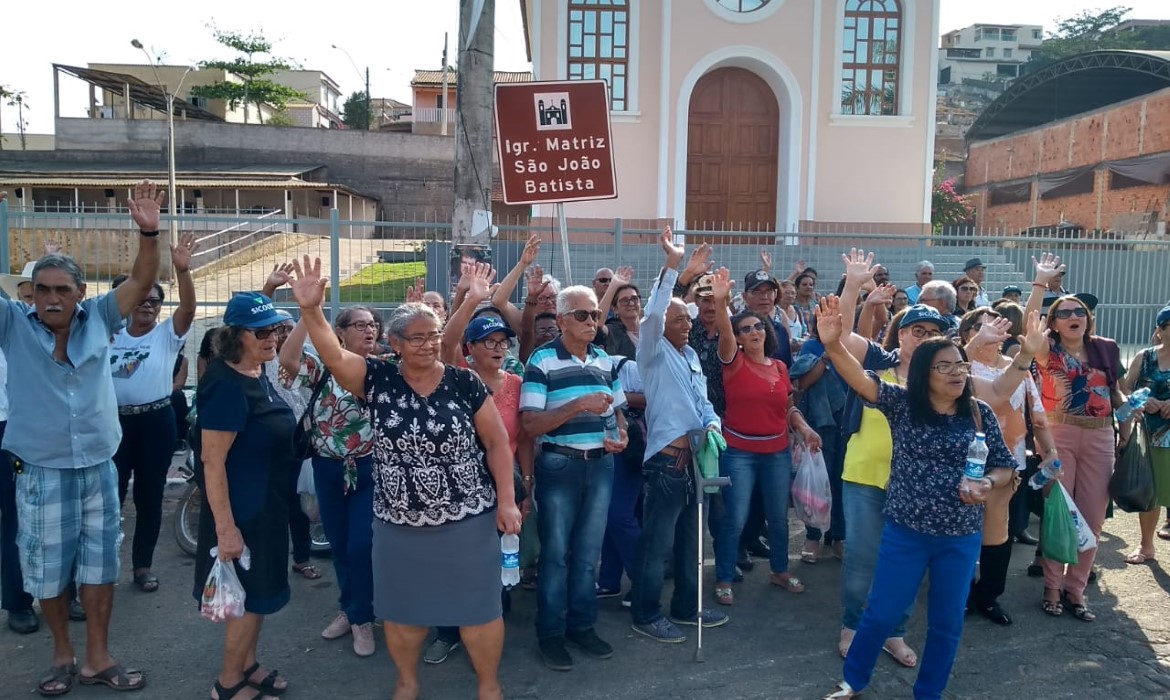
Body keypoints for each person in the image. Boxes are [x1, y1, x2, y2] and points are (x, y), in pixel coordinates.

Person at [289, 256, 521, 700]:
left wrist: (507, 501)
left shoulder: (463, 383)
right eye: (417, 338)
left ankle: (489, 688)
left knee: (479, 609)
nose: (429, 345)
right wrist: (311, 310)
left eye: (434, 336)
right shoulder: (376, 379)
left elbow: (495, 442)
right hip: (399, 523)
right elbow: (335, 356)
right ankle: (407, 683)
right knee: (402, 611)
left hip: (467, 519)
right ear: (394, 343)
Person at [2, 181, 163, 695]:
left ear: (79, 294)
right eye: (41, 290)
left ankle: (97, 656)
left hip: (98, 465)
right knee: (47, 570)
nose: (51, 298)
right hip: (42, 468)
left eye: (62, 290)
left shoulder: (100, 319)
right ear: (29, 294)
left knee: (99, 565)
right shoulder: (13, 324)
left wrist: (148, 232)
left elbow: (141, 280)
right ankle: (62, 655)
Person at [817, 296, 1019, 700]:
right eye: (945, 366)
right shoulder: (904, 404)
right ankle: (853, 681)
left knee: (947, 624)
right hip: (905, 532)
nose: (957, 373)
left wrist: (989, 485)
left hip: (959, 538)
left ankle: (929, 693)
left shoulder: (979, 412)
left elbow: (1004, 465)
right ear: (925, 373)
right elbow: (861, 380)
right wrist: (834, 344)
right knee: (880, 613)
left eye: (961, 365)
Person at [193, 292, 302, 700]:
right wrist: (227, 530)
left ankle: (248, 665)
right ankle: (227, 683)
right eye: (261, 331)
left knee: (258, 595)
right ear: (236, 336)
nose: (272, 336)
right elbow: (212, 461)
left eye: (275, 328)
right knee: (247, 599)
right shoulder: (225, 384)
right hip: (244, 514)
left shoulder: (257, 372)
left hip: (267, 508)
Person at [427, 264, 536, 665]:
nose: (497, 347)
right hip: (457, 488)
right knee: (453, 560)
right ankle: (446, 632)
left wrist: (525, 486)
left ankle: (487, 626)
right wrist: (470, 297)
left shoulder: (517, 384)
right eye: (486, 341)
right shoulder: (456, 378)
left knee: (499, 559)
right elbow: (446, 341)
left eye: (501, 341)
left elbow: (523, 439)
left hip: (504, 487)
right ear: (470, 350)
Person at [521, 285, 628, 672]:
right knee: (555, 556)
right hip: (560, 465)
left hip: (601, 465)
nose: (592, 322)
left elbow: (617, 411)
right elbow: (530, 424)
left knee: (587, 557)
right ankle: (550, 634)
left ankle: (582, 626)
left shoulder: (603, 360)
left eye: (595, 315)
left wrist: (622, 433)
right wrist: (578, 404)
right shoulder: (542, 360)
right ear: (563, 319)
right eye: (582, 315)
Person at [627, 229, 727, 643]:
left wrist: (714, 425)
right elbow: (651, 313)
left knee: (691, 540)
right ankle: (646, 614)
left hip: (696, 461)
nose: (687, 324)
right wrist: (675, 268)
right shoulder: (652, 351)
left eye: (688, 318)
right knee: (658, 544)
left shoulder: (688, 356)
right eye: (679, 319)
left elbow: (703, 404)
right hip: (667, 463)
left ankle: (686, 606)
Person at [709, 267, 821, 606]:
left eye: (758, 326)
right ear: (738, 338)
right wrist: (720, 299)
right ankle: (724, 576)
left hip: (777, 452)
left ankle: (779, 570)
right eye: (746, 329)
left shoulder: (780, 367)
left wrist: (803, 426)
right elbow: (725, 333)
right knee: (735, 518)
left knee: (778, 517)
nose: (754, 330)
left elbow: (786, 408)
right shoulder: (733, 362)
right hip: (739, 452)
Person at [279, 304, 379, 656]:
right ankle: (350, 609)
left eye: (372, 325)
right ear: (339, 331)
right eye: (360, 325)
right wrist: (309, 314)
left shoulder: (383, 368)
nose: (370, 330)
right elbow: (287, 359)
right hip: (328, 467)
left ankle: (363, 619)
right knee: (338, 543)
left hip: (370, 469)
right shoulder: (320, 368)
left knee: (360, 545)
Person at [110, 233, 198, 594]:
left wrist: (182, 271)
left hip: (155, 422)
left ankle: (142, 566)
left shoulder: (167, 335)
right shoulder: (106, 333)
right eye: (142, 298)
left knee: (149, 496)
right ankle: (102, 571)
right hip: (112, 423)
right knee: (109, 496)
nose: (148, 304)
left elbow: (189, 310)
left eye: (155, 300)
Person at [959, 308, 1054, 626]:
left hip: (1008, 462)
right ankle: (960, 594)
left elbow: (1037, 417)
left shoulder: (1021, 370)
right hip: (962, 461)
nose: (997, 330)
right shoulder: (959, 367)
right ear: (968, 332)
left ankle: (988, 597)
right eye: (987, 325)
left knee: (998, 530)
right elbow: (996, 396)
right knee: (959, 528)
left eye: (1001, 325)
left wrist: (1050, 451)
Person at [1035, 294, 1123, 622]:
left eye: (1080, 312)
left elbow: (1114, 391)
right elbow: (1030, 329)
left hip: (1101, 435)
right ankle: (1052, 587)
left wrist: (1128, 413)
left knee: (1092, 516)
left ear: (1088, 319)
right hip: (1059, 434)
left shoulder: (1107, 348)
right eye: (1065, 313)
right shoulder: (1047, 350)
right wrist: (1040, 284)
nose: (1074, 316)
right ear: (1054, 323)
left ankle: (1077, 588)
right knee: (1060, 510)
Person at [1121, 304, 1170, 565]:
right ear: (1160, 330)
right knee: (1151, 492)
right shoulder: (1144, 357)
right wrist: (1141, 403)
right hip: (1150, 435)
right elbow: (1125, 392)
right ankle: (1147, 544)